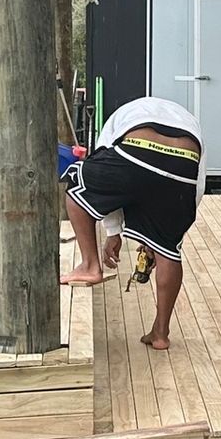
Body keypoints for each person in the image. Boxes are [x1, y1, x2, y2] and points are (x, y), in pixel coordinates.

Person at [59, 95, 204, 351]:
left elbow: (108, 174)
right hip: (185, 162)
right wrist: (165, 235)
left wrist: (113, 232)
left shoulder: (121, 116)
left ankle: (90, 266)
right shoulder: (189, 121)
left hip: (138, 147)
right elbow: (195, 187)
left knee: (77, 182)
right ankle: (161, 333)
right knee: (169, 248)